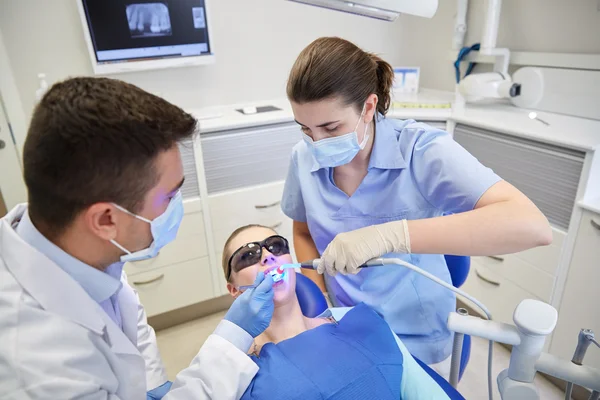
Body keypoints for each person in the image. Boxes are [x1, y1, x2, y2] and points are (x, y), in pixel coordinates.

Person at [281, 37, 552, 378]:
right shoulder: (302, 158)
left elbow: (531, 225)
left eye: (331, 127)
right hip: (345, 324)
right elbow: (303, 229)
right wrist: (319, 301)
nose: (316, 143)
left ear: (368, 107)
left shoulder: (420, 150)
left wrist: (393, 235)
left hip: (417, 333)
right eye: (306, 128)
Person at [0, 77, 274, 399]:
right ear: (106, 220)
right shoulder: (35, 364)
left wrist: (153, 379)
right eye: (169, 197)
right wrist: (234, 336)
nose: (176, 207)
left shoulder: (75, 245)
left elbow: (124, 318)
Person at [222, 224, 450, 400]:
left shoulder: (360, 322)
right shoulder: (234, 370)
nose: (267, 256)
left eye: (276, 246)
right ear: (234, 290)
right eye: (248, 255)